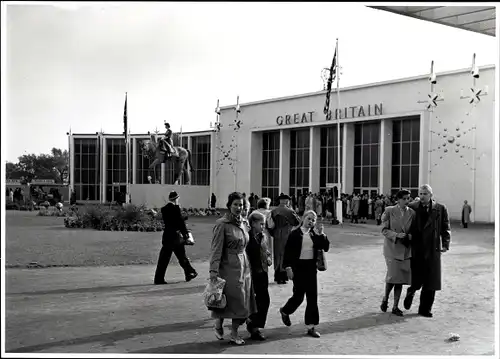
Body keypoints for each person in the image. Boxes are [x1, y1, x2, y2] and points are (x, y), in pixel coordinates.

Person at [209, 192, 257, 345]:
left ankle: (233, 332)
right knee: (229, 298)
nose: (238, 207)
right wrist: (213, 272)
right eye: (235, 204)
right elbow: (216, 249)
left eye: (241, 205)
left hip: (244, 265)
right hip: (228, 265)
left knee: (243, 301)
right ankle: (220, 323)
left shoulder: (243, 222)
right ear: (229, 205)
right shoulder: (222, 224)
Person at [279, 210, 330, 338]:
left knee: (312, 297)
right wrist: (288, 267)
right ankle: (285, 311)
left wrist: (322, 234)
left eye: (313, 220)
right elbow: (287, 252)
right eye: (309, 218)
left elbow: (326, 247)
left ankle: (311, 326)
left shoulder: (314, 234)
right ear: (303, 218)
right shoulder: (294, 234)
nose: (311, 221)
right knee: (299, 296)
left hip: (311, 268)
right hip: (298, 268)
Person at [404, 184, 451, 318]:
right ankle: (411, 291)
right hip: (417, 247)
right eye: (420, 193)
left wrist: (445, 244)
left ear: (431, 195)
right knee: (417, 277)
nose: (422, 196)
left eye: (425, 194)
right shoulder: (412, 207)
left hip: (433, 248)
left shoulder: (440, 209)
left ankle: (425, 309)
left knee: (431, 280)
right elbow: (405, 226)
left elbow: (445, 227)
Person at [380, 189, 416, 316]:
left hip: (405, 250)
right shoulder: (389, 211)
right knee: (392, 276)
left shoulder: (412, 213)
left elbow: (414, 230)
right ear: (398, 199)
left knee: (400, 279)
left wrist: (411, 236)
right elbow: (384, 230)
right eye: (405, 198)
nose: (407, 201)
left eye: (408, 198)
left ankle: (395, 306)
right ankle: (385, 298)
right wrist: (397, 235)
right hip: (392, 249)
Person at [154, 191, 198, 285]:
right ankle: (190, 272)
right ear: (176, 199)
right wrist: (186, 235)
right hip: (176, 236)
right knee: (182, 256)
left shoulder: (164, 209)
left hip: (167, 236)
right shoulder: (176, 209)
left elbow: (162, 218)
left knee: (164, 259)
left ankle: (159, 278)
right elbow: (180, 223)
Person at [245, 211, 272, 341]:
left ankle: (254, 323)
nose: (263, 227)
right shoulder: (247, 237)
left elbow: (266, 250)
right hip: (251, 273)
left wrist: (268, 258)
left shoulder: (263, 236)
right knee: (253, 301)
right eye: (261, 224)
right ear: (253, 223)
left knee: (265, 300)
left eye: (264, 224)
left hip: (263, 272)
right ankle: (254, 328)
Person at [270, 194, 301, 284]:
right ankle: (284, 276)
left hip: (276, 235)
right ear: (287, 201)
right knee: (285, 254)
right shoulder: (290, 211)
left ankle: (277, 275)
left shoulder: (274, 211)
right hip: (287, 233)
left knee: (277, 254)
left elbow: (269, 225)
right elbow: (298, 222)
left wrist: (274, 233)